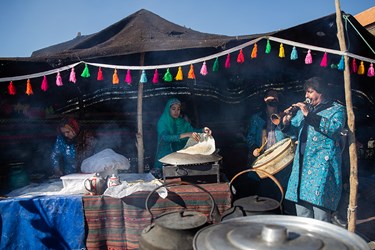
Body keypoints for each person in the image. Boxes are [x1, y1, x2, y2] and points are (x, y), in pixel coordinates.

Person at [282, 76, 346, 222]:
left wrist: (308, 114)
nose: (306, 96)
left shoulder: (337, 109)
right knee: (303, 213)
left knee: (320, 213)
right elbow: (293, 131)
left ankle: (322, 243)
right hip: (302, 165)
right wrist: (286, 122)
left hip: (322, 166)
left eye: (310, 92)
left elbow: (334, 128)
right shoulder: (306, 110)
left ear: (321, 92)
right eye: (306, 92)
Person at [245, 89, 291, 203]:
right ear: (265, 100)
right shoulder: (257, 118)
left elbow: (291, 134)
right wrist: (254, 148)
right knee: (264, 190)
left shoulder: (284, 116)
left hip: (280, 158)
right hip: (264, 160)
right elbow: (250, 136)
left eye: (276, 97)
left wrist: (285, 122)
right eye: (270, 97)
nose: (273, 99)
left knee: (280, 190)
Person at [153, 98, 212, 178]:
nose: (176, 111)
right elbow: (165, 138)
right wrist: (186, 134)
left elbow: (192, 131)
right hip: (164, 158)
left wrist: (202, 130)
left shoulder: (181, 122)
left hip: (180, 158)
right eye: (173, 109)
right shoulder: (163, 122)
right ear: (168, 109)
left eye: (178, 109)